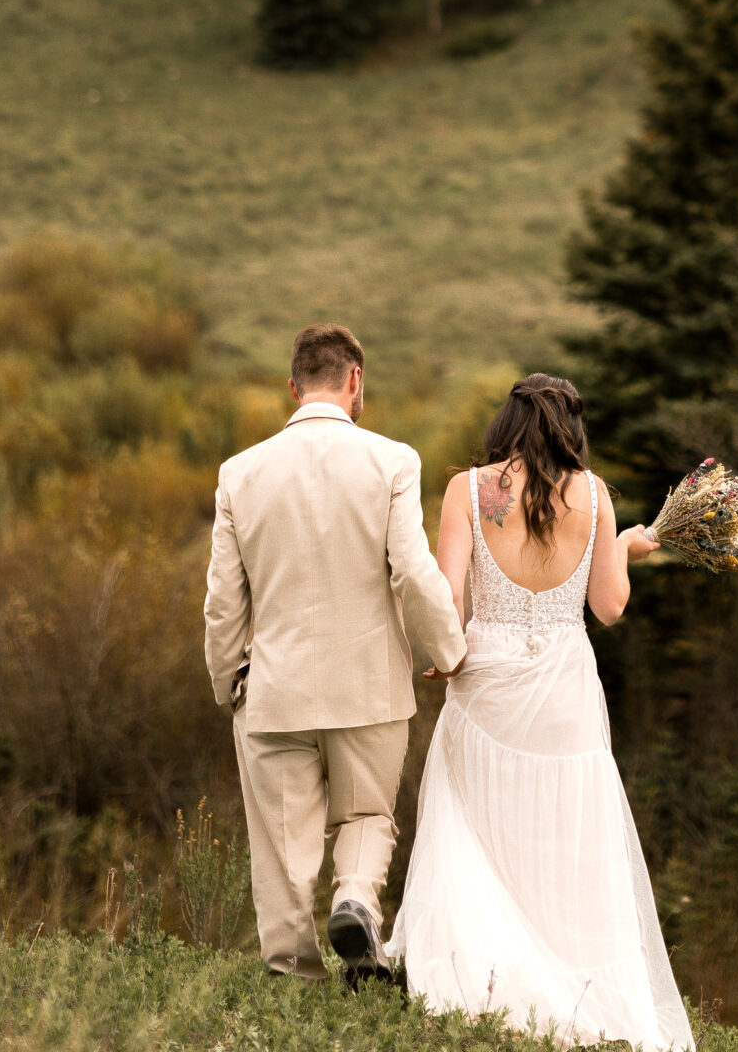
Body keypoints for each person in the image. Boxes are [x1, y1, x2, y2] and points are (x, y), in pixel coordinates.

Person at [392, 372, 694, 1051]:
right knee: (564, 836)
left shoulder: (469, 490)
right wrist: (626, 547)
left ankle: (480, 976)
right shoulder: (594, 496)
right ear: (571, 430)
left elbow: (448, 600)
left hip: (488, 682)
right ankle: (571, 986)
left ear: (507, 424)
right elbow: (609, 609)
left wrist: (444, 656)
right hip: (563, 688)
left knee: (476, 824)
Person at [203, 322, 467, 985]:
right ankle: (354, 899)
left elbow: (222, 601)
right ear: (355, 381)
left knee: (283, 850)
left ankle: (294, 978)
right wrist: (447, 650)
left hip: (274, 690)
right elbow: (411, 568)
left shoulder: (240, 473)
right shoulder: (393, 460)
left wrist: (227, 680)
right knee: (368, 815)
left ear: (293, 387)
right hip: (369, 686)